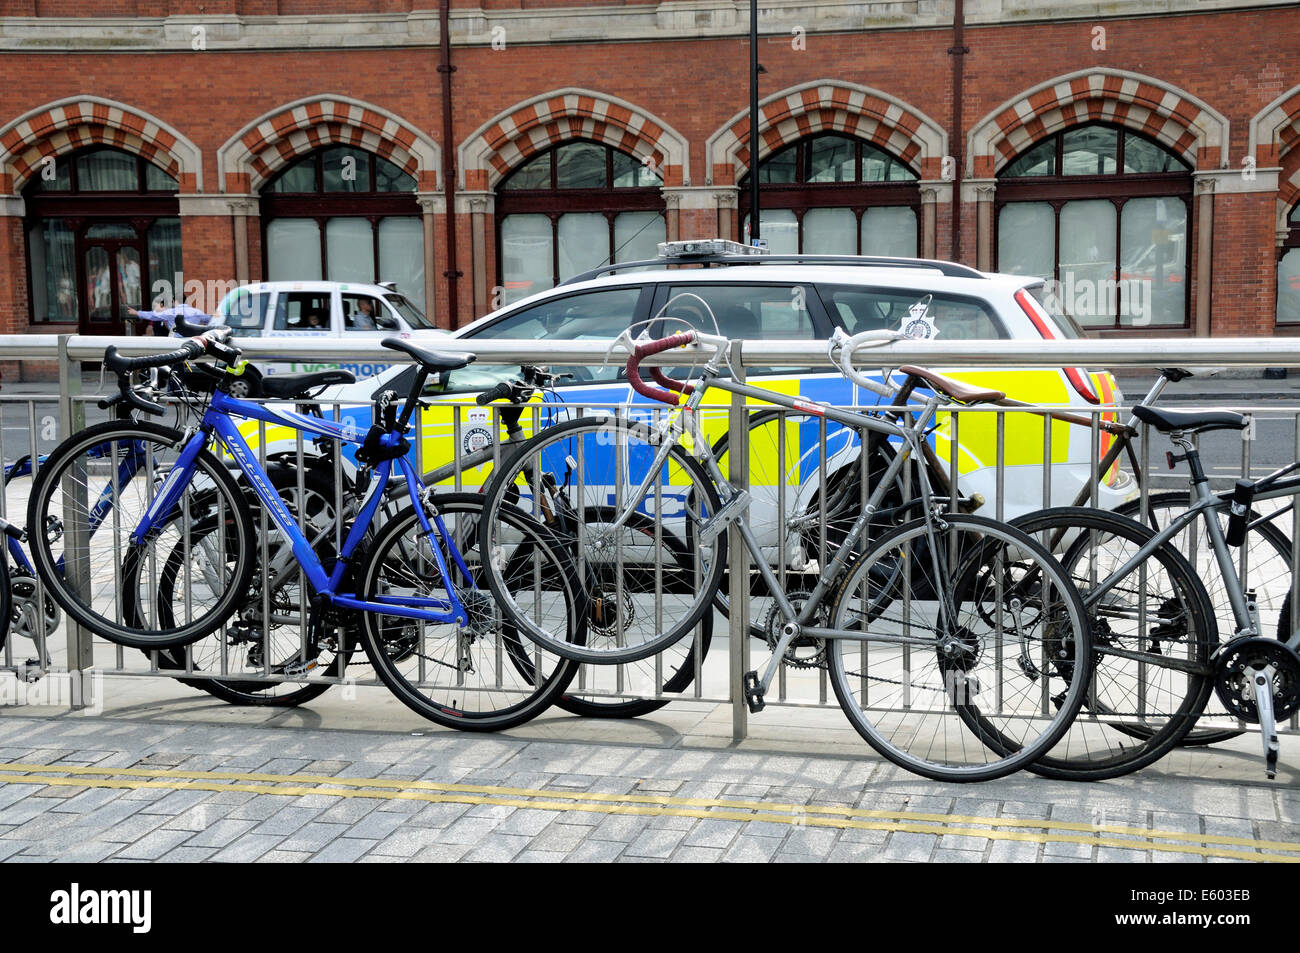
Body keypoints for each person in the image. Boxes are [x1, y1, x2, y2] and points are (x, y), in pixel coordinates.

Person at [128, 299, 213, 337]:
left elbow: (153, 315)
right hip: (193, 341)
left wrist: (137, 313)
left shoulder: (171, 312)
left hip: (175, 343)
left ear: (174, 301)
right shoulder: (197, 312)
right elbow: (210, 320)